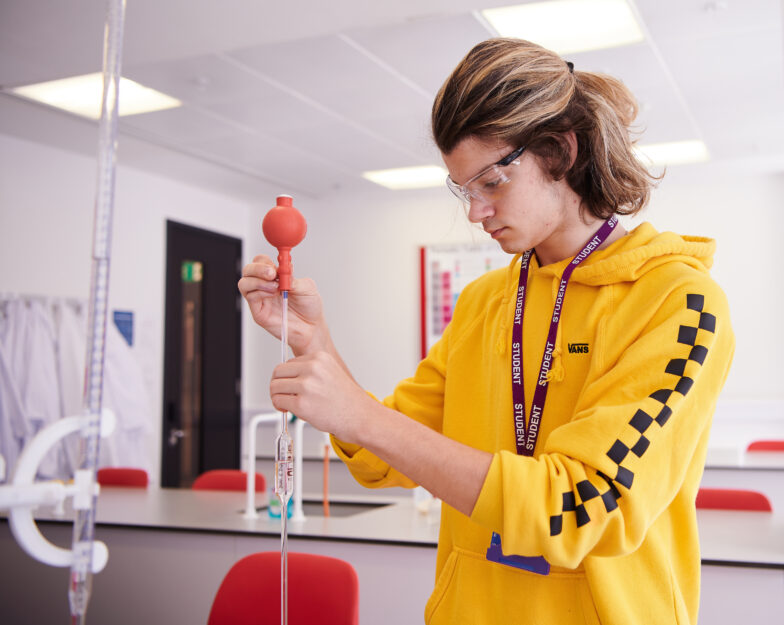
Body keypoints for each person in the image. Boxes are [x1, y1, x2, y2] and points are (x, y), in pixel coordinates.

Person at [238, 37, 734, 625]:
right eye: (463, 189)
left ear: (560, 151)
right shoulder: (486, 302)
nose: (475, 212)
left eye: (492, 182)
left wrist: (360, 414)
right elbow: (380, 456)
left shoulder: (679, 301)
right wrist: (314, 345)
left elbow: (583, 507)